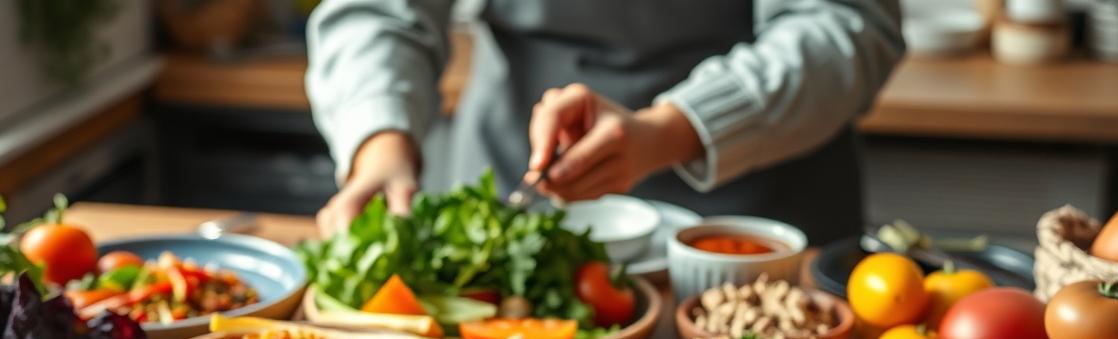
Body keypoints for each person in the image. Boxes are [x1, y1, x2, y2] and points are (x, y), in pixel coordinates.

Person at [307, 1, 904, 245]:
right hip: (513, 183)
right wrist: (379, 143)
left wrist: (674, 129)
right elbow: (376, 11)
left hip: (760, 204)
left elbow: (844, 24)